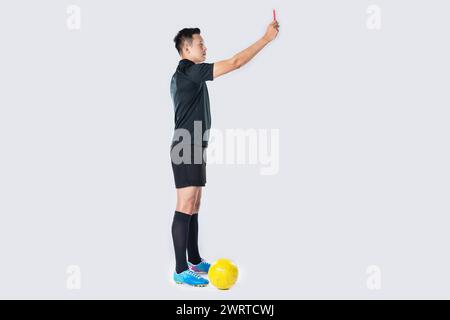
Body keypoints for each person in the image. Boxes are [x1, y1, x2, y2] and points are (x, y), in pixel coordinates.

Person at [169, 19, 280, 287]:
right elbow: (235, 62)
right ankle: (180, 269)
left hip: (193, 145)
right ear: (186, 50)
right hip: (186, 145)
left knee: (194, 204)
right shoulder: (187, 71)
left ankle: (193, 260)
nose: (205, 48)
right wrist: (266, 39)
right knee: (185, 204)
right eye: (200, 44)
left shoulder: (187, 75)